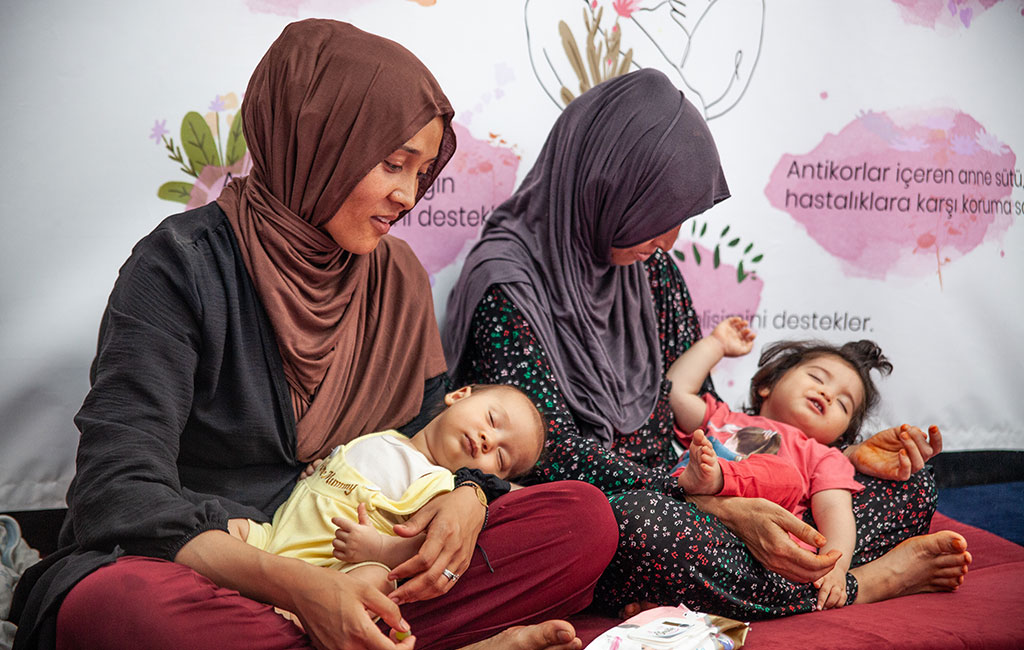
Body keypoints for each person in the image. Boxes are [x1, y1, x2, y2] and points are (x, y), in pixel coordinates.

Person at [10, 19, 618, 650]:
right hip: (215, 566)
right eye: (392, 164)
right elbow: (118, 488)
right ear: (318, 142)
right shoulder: (180, 265)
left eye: (421, 173)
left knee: (582, 522)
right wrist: (301, 588)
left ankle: (351, 633)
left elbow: (430, 427)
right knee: (120, 608)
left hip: (359, 563)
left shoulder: (396, 279)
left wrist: (470, 494)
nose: (408, 195)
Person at [442, 67, 961, 621]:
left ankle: (779, 576)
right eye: (654, 216)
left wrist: (830, 463)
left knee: (910, 484)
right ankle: (860, 584)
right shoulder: (508, 289)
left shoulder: (651, 271)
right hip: (623, 508)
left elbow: (703, 417)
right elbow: (550, 456)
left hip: (702, 486)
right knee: (633, 530)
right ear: (603, 186)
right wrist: (711, 505)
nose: (668, 241)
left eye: (677, 220)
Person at [669, 318, 967, 610]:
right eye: (817, 378)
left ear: (841, 434)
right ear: (768, 385)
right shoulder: (723, 418)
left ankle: (716, 478)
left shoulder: (824, 457)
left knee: (784, 476)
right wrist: (716, 344)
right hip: (681, 517)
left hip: (747, 548)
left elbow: (836, 515)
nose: (828, 393)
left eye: (843, 404)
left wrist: (835, 569)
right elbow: (675, 393)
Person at [232, 383, 546, 610]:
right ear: (459, 395)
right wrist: (322, 467)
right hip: (274, 536)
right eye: (492, 420)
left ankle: (296, 620)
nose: (488, 440)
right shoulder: (386, 436)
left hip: (330, 568)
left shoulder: (440, 487)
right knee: (225, 528)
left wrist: (379, 548)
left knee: (378, 579)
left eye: (500, 458)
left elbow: (425, 547)